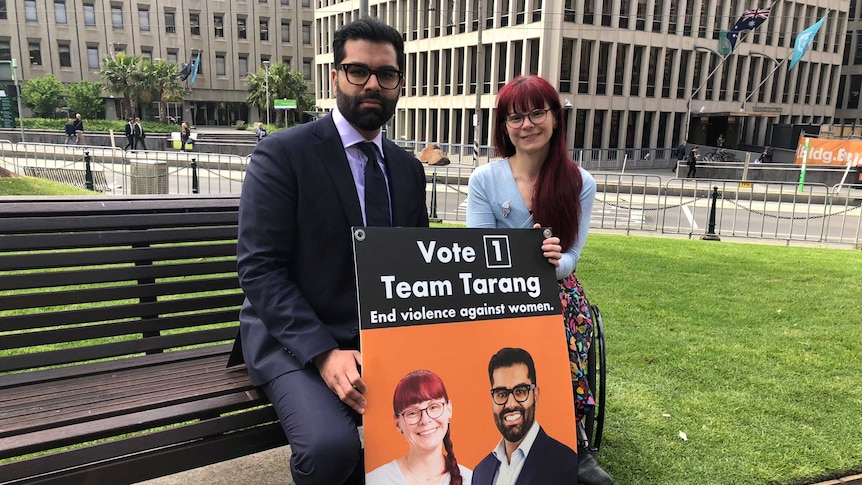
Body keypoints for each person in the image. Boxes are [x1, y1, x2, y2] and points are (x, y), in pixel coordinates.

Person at [227, 17, 429, 485]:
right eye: (358, 71)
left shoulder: (407, 170)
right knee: (330, 448)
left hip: (380, 338)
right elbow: (259, 270)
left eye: (387, 74)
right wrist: (323, 352)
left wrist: (529, 256)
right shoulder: (283, 155)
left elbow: (419, 262)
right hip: (294, 340)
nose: (373, 84)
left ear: (400, 82)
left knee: (446, 413)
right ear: (335, 76)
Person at [465, 75, 612, 485]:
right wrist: (519, 255)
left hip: (554, 288)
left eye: (536, 113)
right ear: (504, 125)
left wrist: (553, 262)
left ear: (554, 118)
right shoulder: (484, 181)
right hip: (498, 286)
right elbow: (478, 251)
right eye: (516, 117)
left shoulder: (579, 182)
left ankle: (574, 436)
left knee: (564, 315)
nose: (527, 125)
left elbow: (573, 258)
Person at [472, 348, 579, 485]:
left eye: (520, 391)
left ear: (535, 396)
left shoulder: (567, 466)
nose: (510, 404)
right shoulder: (480, 472)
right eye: (502, 394)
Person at [366, 370, 471, 485]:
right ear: (397, 423)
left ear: (449, 409)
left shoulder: (473, 480)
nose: (425, 420)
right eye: (412, 413)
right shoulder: (375, 481)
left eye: (433, 407)